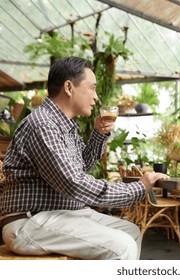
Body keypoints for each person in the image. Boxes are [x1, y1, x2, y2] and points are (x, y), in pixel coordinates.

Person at [0, 56, 168, 260]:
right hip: (30, 220)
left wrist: (98, 133)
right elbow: (74, 183)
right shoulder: (43, 124)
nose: (96, 96)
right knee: (123, 246)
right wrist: (137, 189)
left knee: (130, 233)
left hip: (61, 213)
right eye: (92, 88)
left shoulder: (65, 125)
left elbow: (81, 167)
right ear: (69, 87)